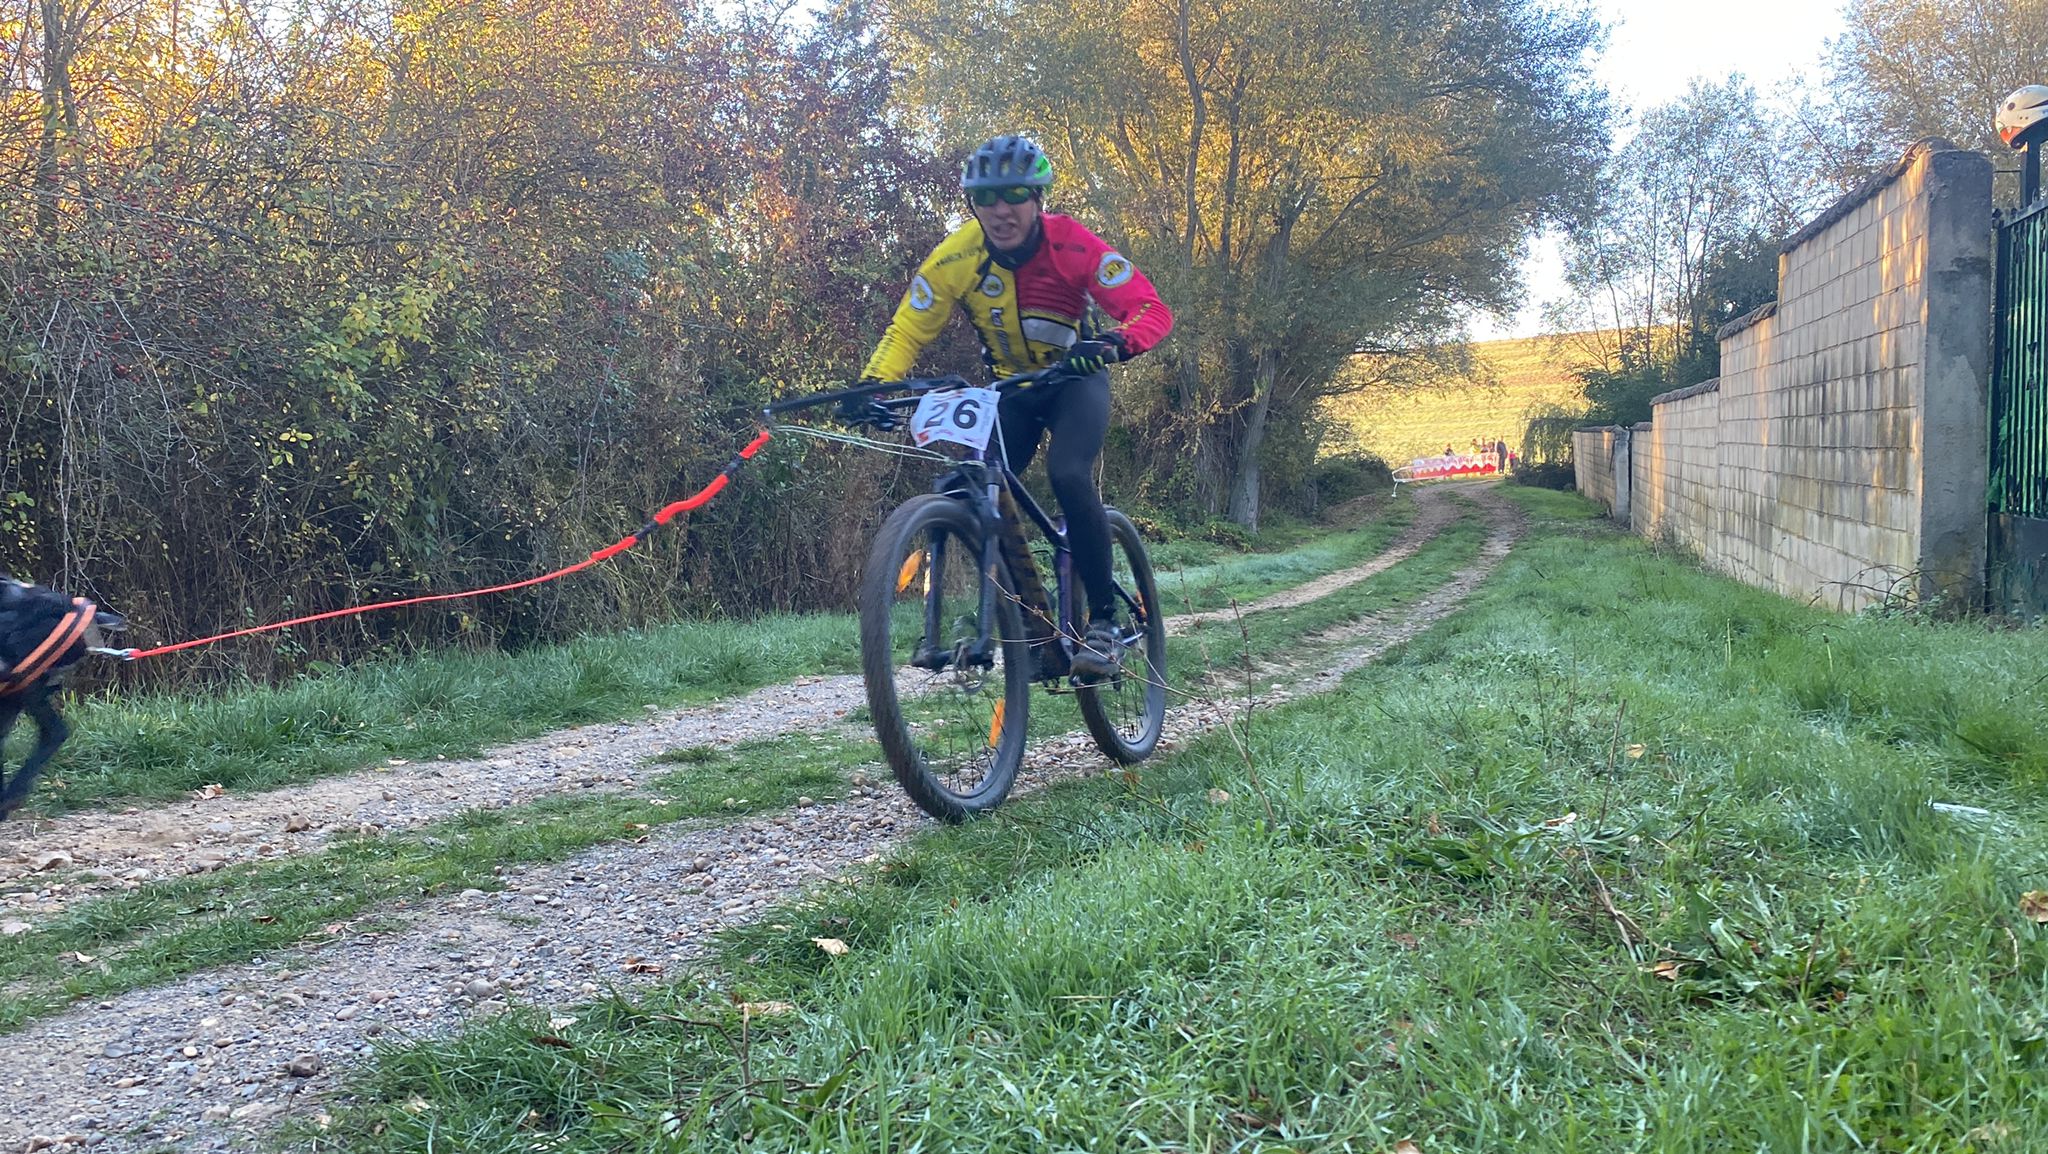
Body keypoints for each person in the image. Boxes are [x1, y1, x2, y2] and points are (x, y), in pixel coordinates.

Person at [848, 135, 1174, 679]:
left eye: (1015, 194)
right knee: (966, 488)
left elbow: (1149, 308)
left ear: (1038, 197)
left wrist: (1118, 342)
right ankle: (1028, 614)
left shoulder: (1072, 244)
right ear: (972, 203)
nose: (1001, 210)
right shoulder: (957, 256)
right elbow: (908, 329)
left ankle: (1105, 621)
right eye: (986, 197)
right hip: (1009, 392)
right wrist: (874, 385)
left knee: (1069, 474)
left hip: (1075, 381)